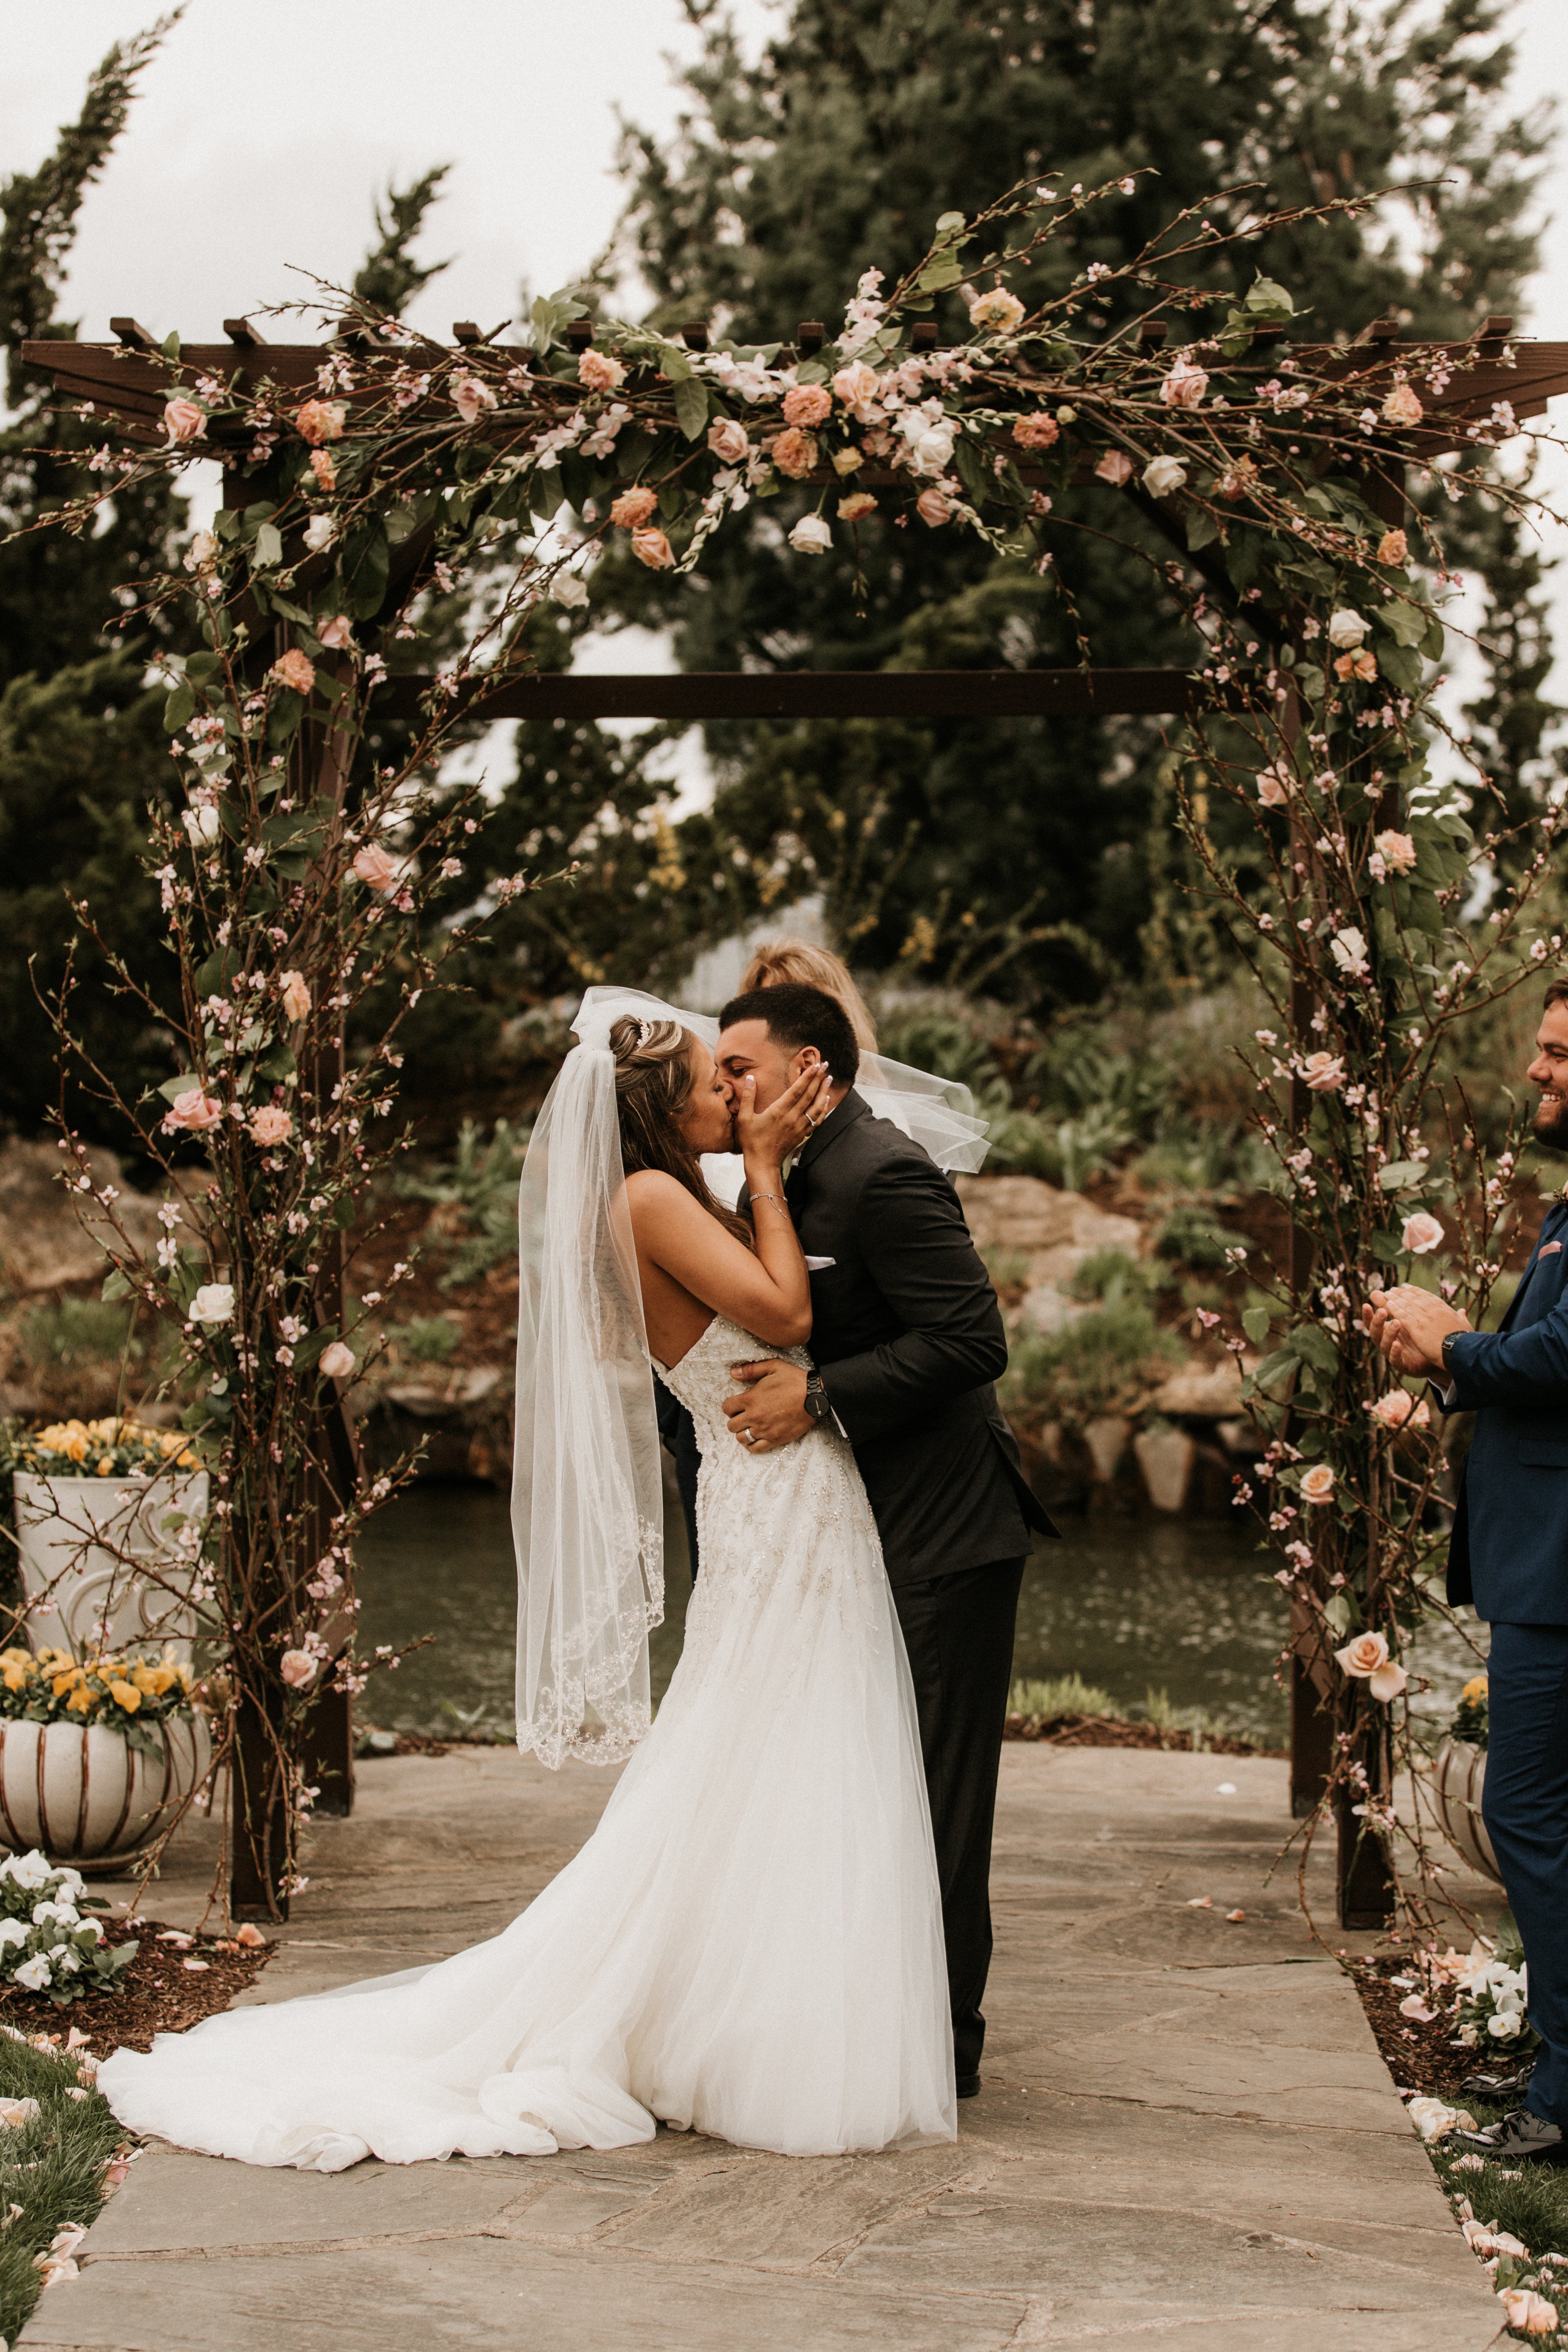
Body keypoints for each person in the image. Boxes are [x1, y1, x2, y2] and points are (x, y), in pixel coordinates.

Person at [96, 991, 956, 2168]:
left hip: (782, 1498)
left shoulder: (658, 1197)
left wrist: (758, 1172)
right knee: (778, 1740)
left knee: (773, 1747)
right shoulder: (653, 1197)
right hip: (780, 1502)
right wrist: (763, 1169)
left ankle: (735, 2013)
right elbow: (785, 1309)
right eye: (717, 1085)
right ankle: (729, 2029)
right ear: (665, 1112)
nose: (734, 1098)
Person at [716, 982, 1056, 2099]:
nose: (728, 1090)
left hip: (946, 1531)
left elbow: (970, 1341)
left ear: (812, 1069)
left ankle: (943, 2049)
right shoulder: (797, 1172)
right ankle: (876, 2016)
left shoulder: (882, 1169)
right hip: (858, 1533)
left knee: (937, 1800)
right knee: (869, 1786)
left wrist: (819, 1396)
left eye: (742, 1069)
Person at [1365, 977, 1568, 2167]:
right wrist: (1442, 1382)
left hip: (1559, 1576)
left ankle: (1566, 2085)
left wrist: (1449, 1336)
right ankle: (1557, 2048)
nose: (1536, 1072)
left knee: (1527, 1813)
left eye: (1555, 1053)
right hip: (1540, 1568)